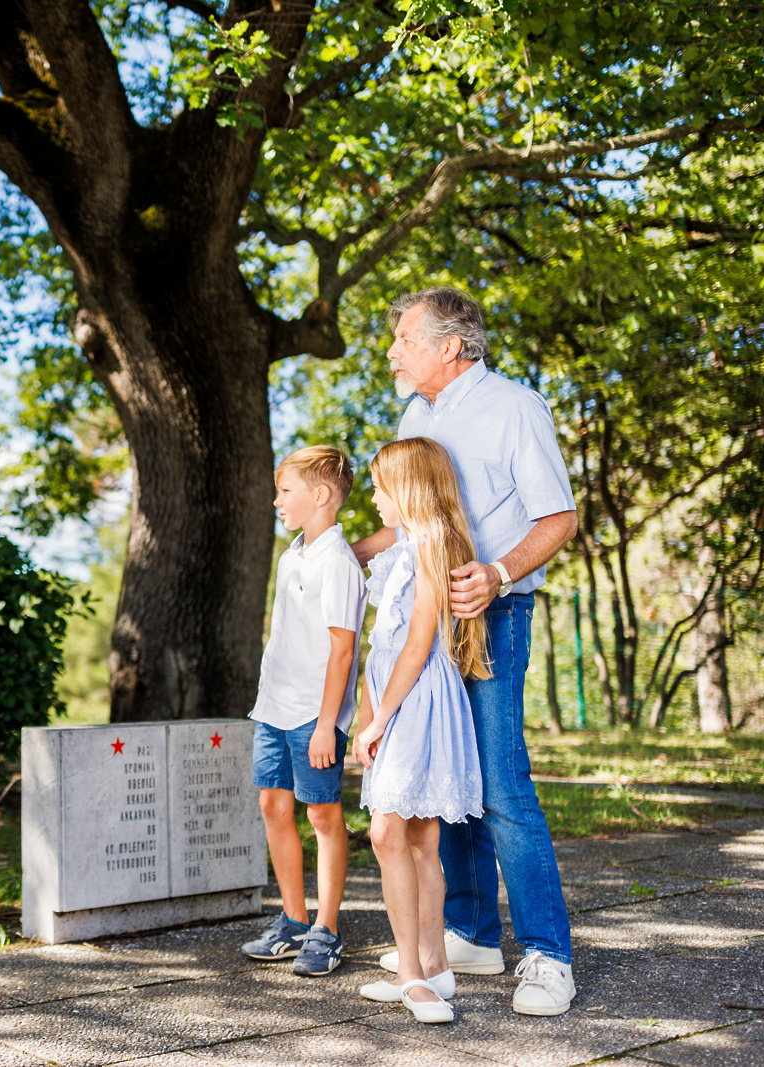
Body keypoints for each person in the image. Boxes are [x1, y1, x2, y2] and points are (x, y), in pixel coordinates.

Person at [353, 287, 579, 1016]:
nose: (393, 352)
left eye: (405, 340)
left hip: (495, 611)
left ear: (450, 346)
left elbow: (559, 516)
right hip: (426, 623)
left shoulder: (515, 407)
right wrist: (345, 555)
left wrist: (498, 573)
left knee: (502, 782)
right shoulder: (416, 415)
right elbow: (410, 523)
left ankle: (548, 954)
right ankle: (472, 934)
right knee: (442, 777)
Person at [353, 438, 488, 1024]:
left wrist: (380, 717)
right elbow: (379, 647)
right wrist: (368, 711)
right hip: (395, 699)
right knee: (416, 838)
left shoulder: (432, 544)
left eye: (379, 488)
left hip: (416, 701)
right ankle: (433, 964)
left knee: (390, 834)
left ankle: (411, 973)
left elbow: (415, 646)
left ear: (406, 489)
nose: (374, 500)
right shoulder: (401, 550)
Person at [241, 446, 365, 977]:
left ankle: (326, 930)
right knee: (273, 805)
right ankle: (293, 921)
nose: (276, 501)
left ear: (320, 495)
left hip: (316, 717)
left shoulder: (338, 563)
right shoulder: (292, 555)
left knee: (322, 814)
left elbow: (343, 651)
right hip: (273, 707)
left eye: (285, 491)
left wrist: (326, 726)